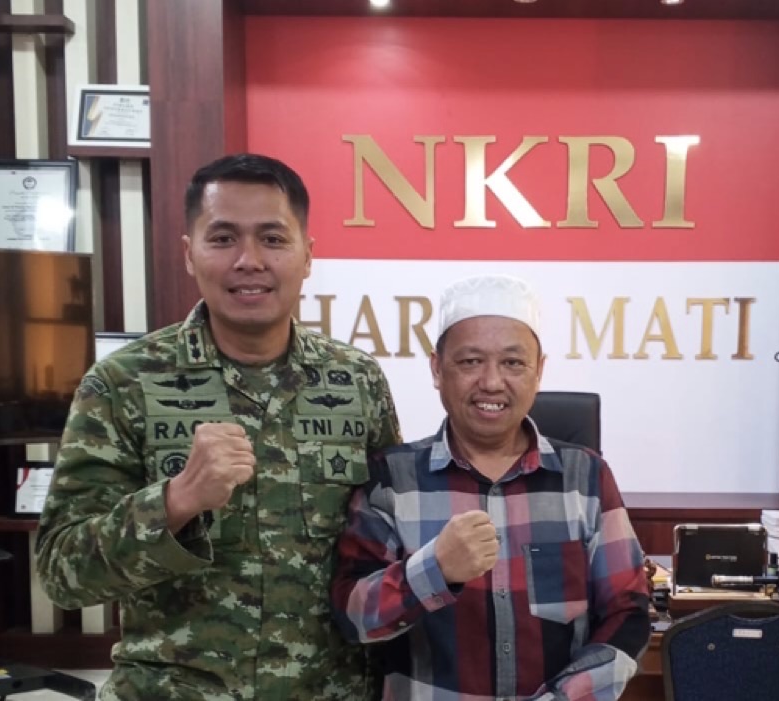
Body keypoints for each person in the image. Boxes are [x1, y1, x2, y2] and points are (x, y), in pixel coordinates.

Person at [36, 153, 402, 700]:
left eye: (273, 239)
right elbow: (62, 573)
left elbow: (387, 548)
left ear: (307, 256)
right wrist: (175, 502)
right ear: (190, 254)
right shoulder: (123, 383)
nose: (249, 260)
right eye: (224, 238)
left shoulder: (356, 380)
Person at [332, 274, 650, 701]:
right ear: (436, 369)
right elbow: (352, 618)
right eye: (470, 362)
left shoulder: (586, 477)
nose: (492, 382)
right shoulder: (391, 478)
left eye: (513, 363)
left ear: (539, 370)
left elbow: (627, 613)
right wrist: (434, 571)